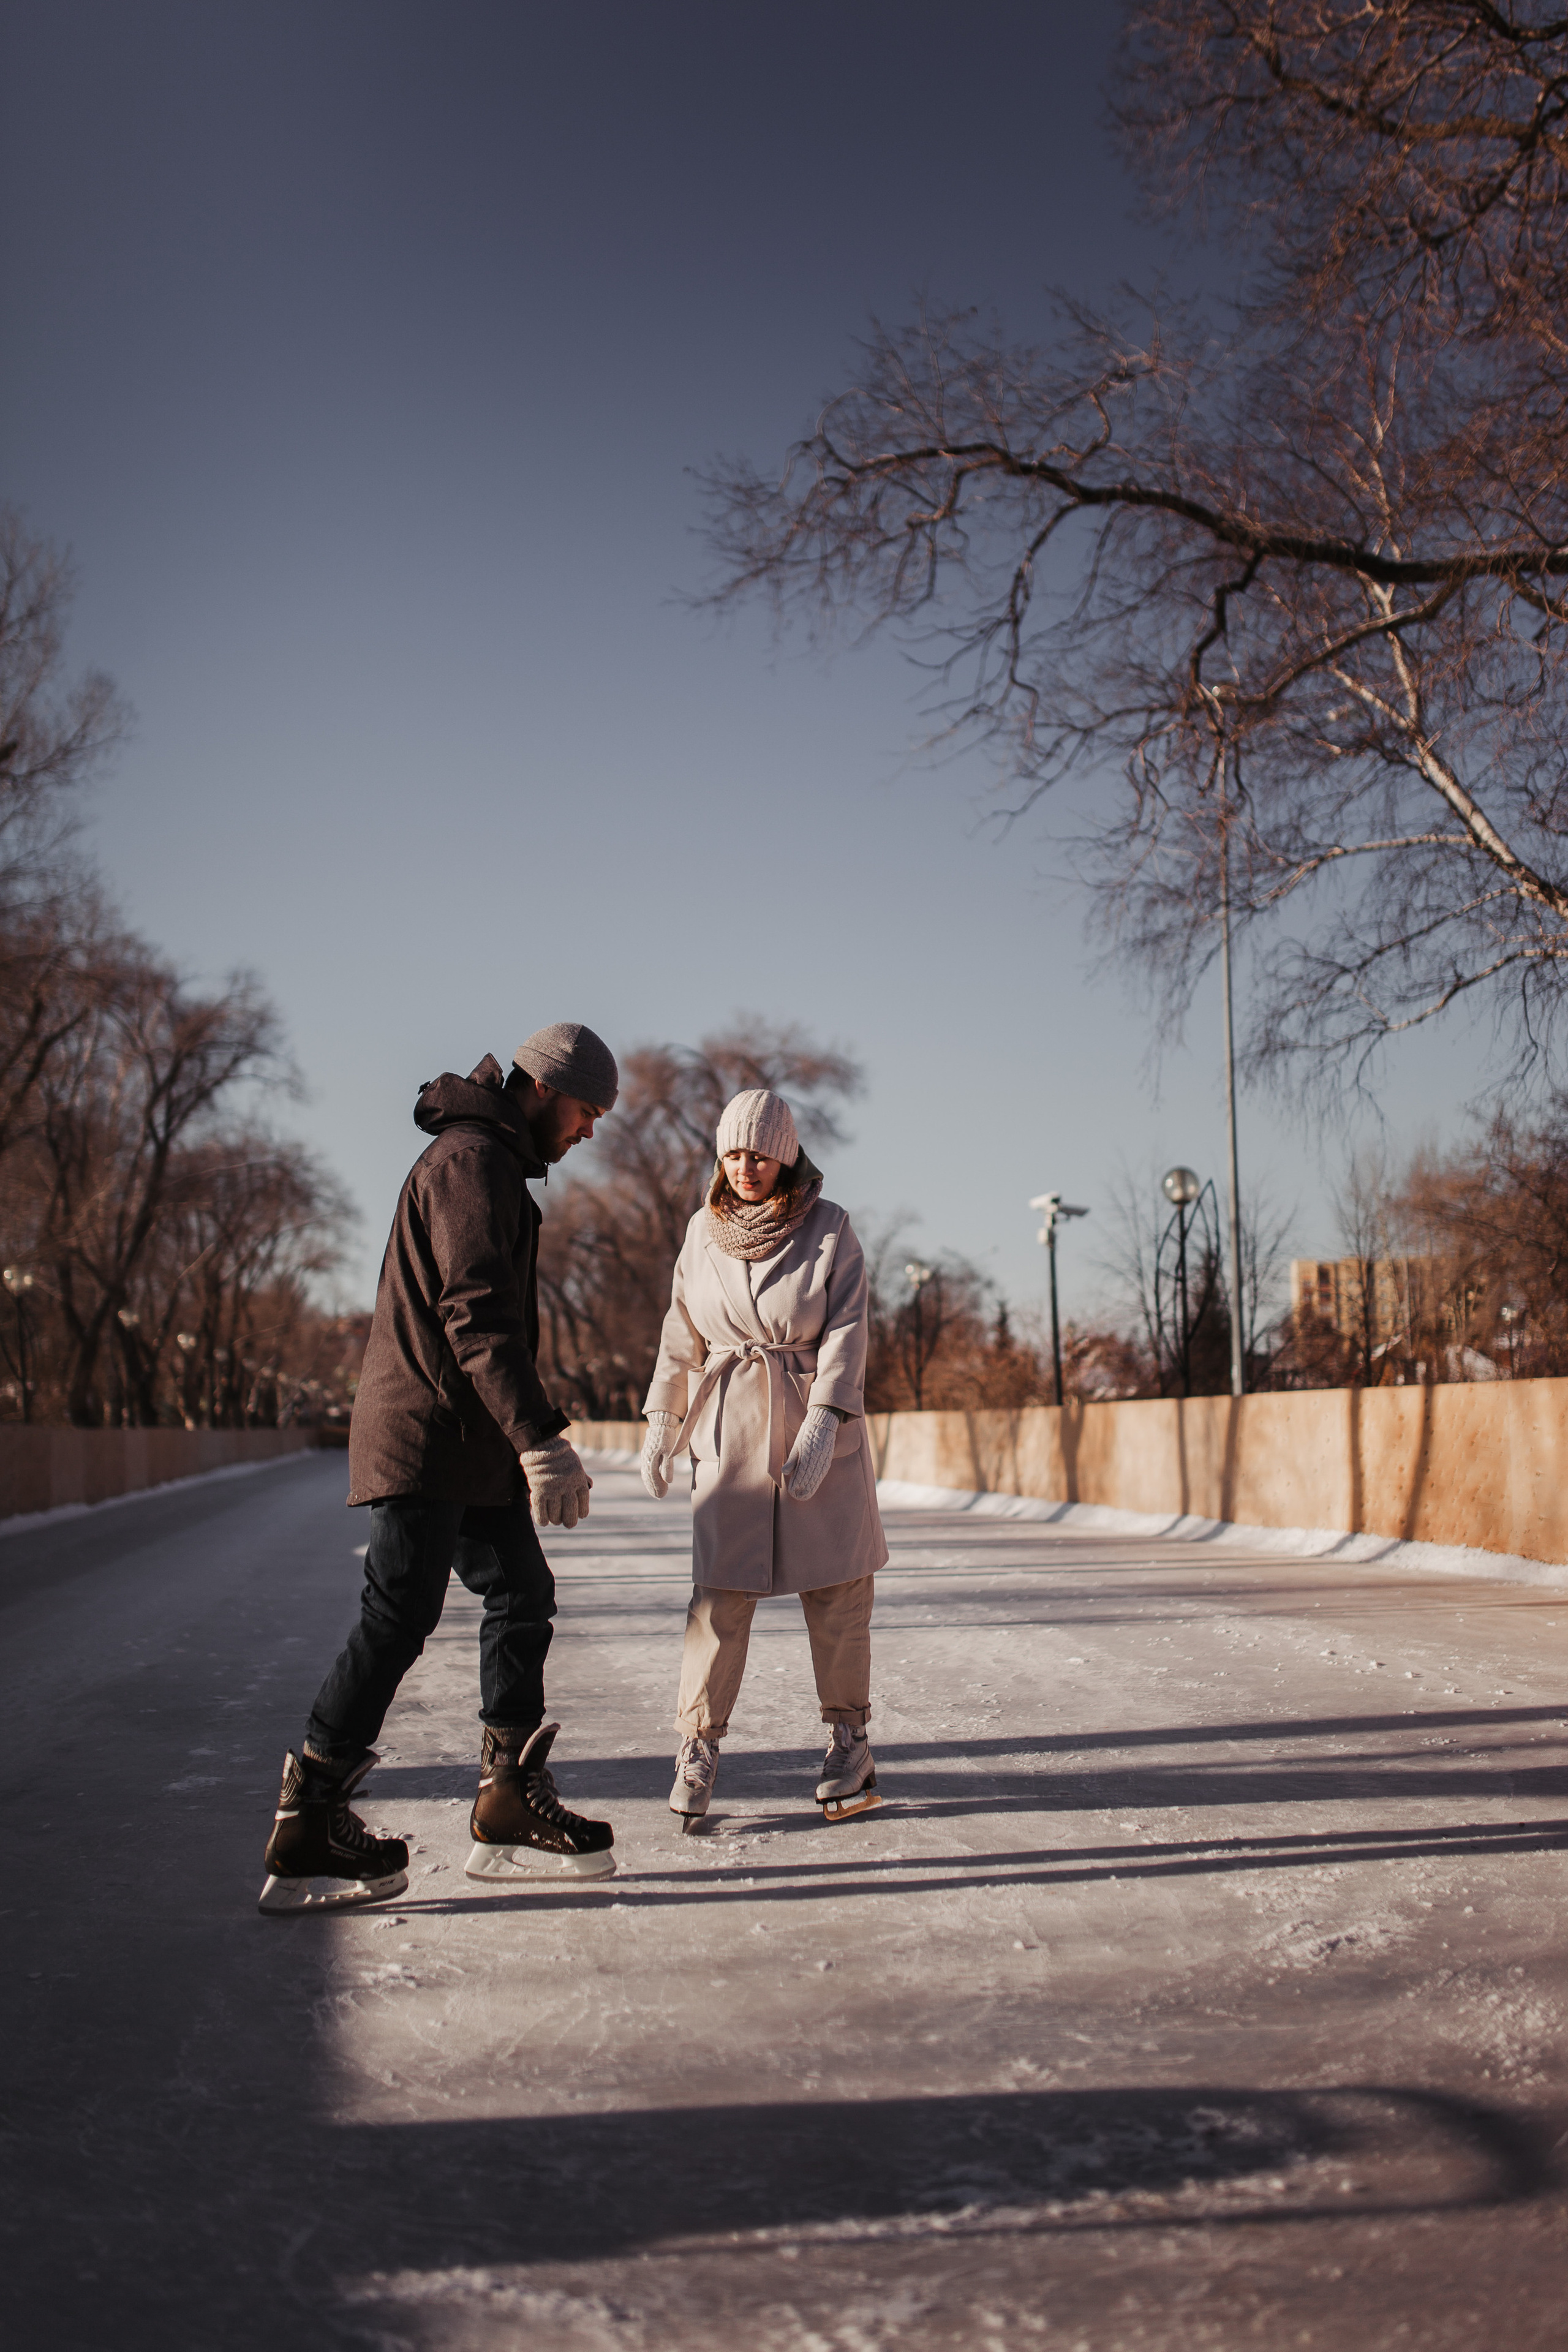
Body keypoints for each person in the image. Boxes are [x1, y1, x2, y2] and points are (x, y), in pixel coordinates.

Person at [258, 1023, 620, 1913]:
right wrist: (539, 1436)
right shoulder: (472, 1162)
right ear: (542, 1089)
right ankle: (309, 1814)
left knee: (521, 1592)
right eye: (585, 1112)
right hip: (428, 1436)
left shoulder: (489, 1156)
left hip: (465, 1444)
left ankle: (505, 1799)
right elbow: (476, 1315)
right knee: (399, 1615)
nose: (588, 1132)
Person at [641, 1087, 888, 1827]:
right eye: (734, 1152)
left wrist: (827, 1420)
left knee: (838, 1594)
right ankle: (697, 1745)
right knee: (718, 1599)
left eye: (761, 1152)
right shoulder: (701, 1231)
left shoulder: (829, 1227)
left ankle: (850, 1741)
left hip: (813, 1422)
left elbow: (848, 1327)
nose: (747, 1166)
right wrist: (662, 1417)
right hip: (730, 1430)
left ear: (787, 1156)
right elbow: (680, 1335)